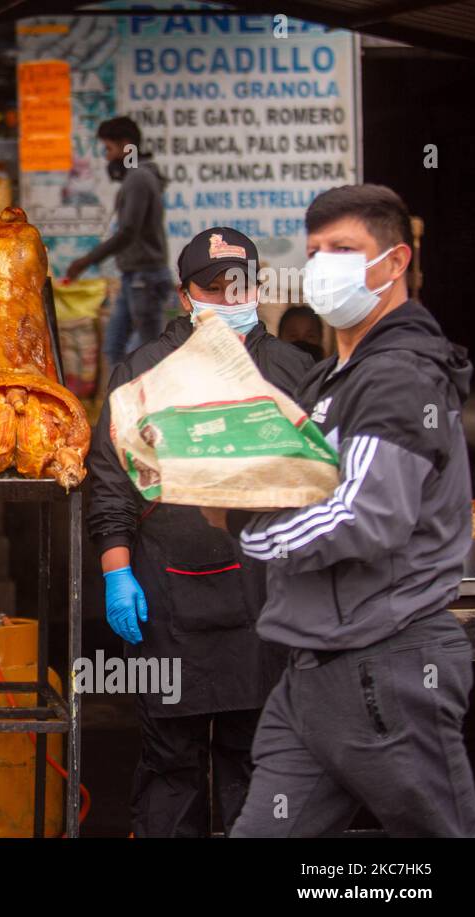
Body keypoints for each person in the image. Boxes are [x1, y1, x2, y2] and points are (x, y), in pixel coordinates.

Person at [208, 185, 475, 837]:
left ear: (393, 263)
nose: (323, 264)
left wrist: (247, 522)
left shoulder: (400, 376)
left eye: (344, 249)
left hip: (385, 668)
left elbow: (365, 514)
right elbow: (307, 469)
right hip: (312, 675)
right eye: (314, 251)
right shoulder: (336, 376)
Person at [86, 227, 313, 837]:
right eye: (211, 287)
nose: (225, 296)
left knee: (257, 765)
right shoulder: (143, 370)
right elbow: (110, 484)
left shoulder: (295, 370)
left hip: (267, 605)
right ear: (186, 297)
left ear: (257, 286)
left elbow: (327, 484)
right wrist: (117, 574)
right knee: (171, 767)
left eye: (237, 284)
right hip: (167, 599)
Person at [65, 117, 171, 368]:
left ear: (126, 146)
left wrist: (87, 260)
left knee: (147, 352)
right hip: (134, 276)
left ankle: (146, 404)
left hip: (144, 278)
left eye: (109, 149)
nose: (107, 157)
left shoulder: (138, 179)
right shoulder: (138, 177)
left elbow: (128, 231)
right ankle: (119, 404)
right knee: (114, 347)